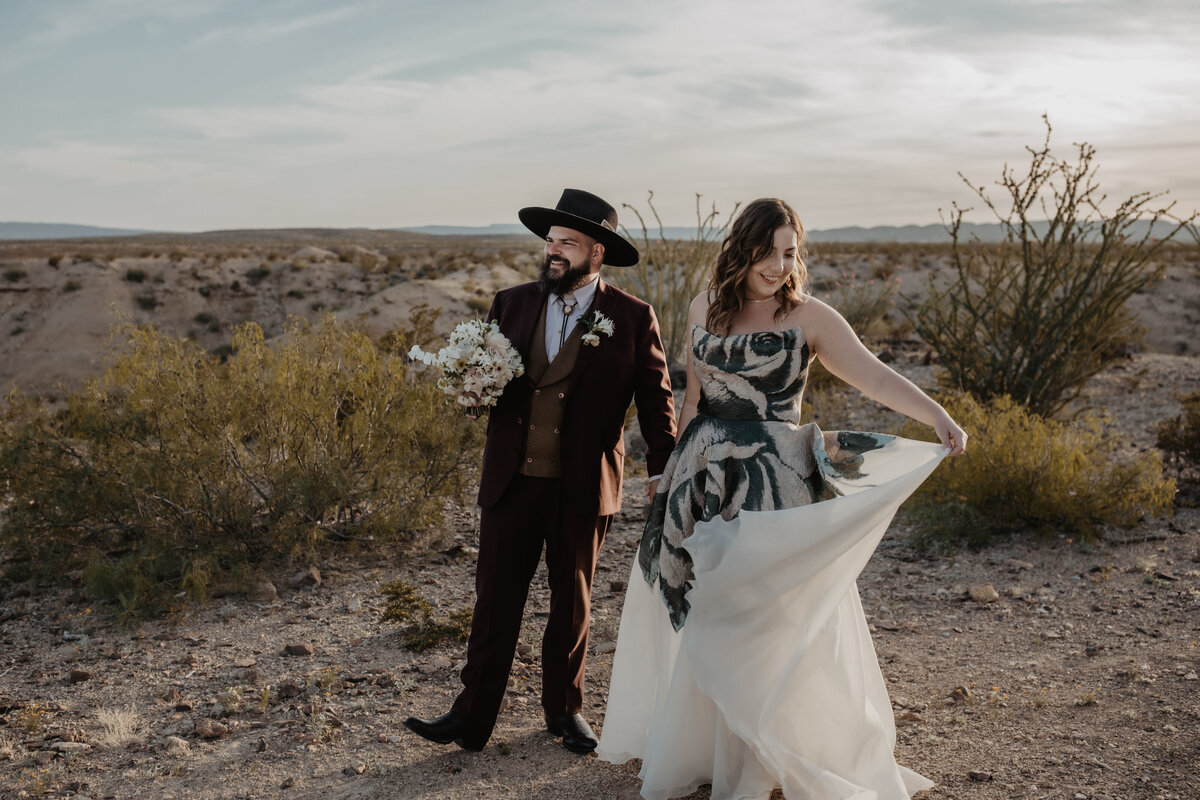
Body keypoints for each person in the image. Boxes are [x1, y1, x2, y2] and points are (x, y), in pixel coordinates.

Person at [597, 198, 967, 799]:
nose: (778, 264)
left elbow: (872, 374)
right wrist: (669, 471)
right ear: (740, 249)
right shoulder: (703, 308)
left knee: (773, 616)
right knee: (711, 608)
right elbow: (694, 399)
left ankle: (772, 754)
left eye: (789, 252)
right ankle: (720, 749)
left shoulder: (810, 316)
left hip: (775, 483)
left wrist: (936, 415)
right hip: (705, 477)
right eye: (766, 251)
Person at [404, 188, 677, 754]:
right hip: (511, 481)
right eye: (549, 241)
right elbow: (488, 379)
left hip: (582, 486)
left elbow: (657, 403)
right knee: (494, 601)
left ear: (596, 252)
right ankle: (472, 717)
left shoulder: (631, 317)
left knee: (571, 603)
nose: (553, 252)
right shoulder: (511, 303)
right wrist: (469, 390)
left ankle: (565, 712)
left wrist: (663, 472)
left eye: (567, 243)